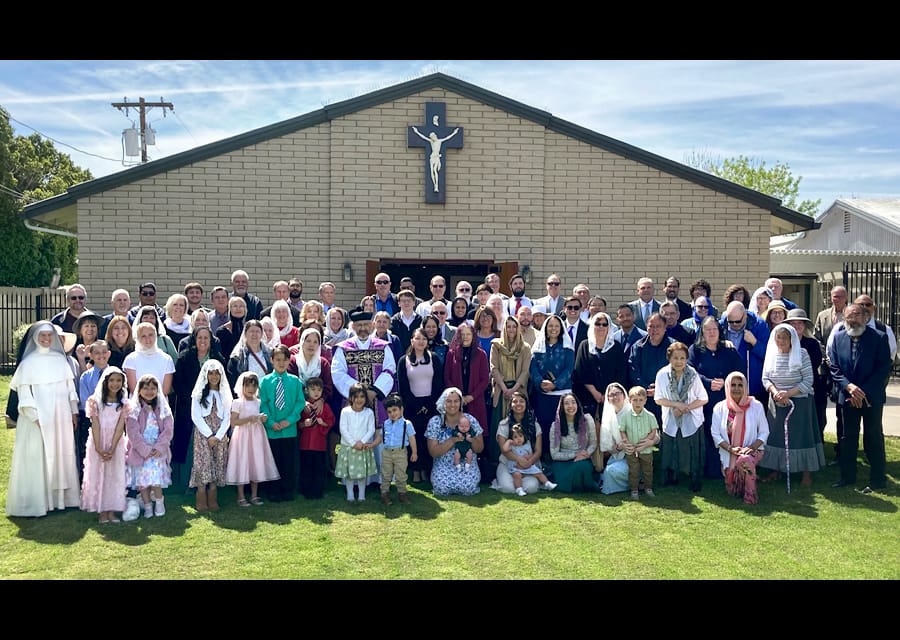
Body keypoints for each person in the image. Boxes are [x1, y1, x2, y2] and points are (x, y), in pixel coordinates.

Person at [6, 321, 81, 517]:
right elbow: (24, 395)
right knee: (37, 457)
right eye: (42, 336)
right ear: (35, 339)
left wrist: (73, 411)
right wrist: (36, 417)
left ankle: (62, 501)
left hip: (60, 416)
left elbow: (69, 389)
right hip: (36, 420)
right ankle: (38, 502)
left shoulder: (60, 360)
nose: (46, 339)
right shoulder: (27, 364)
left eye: (50, 336)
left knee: (62, 453)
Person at [829, 303, 892, 494]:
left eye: (856, 315)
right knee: (848, 437)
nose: (852, 320)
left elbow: (883, 369)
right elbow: (834, 367)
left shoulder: (879, 338)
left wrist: (862, 392)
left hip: (871, 397)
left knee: (873, 437)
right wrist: (849, 387)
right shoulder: (839, 338)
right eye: (848, 316)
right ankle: (847, 477)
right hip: (847, 396)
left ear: (865, 317)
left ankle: (878, 479)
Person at [331, 310, 397, 485]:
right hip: (354, 403)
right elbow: (338, 374)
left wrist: (374, 391)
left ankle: (381, 479)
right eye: (359, 325)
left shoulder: (383, 346)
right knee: (357, 435)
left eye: (366, 325)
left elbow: (390, 369)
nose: (362, 328)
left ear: (372, 325)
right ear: (352, 326)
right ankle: (357, 479)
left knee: (379, 437)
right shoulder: (343, 348)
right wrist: (358, 394)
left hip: (379, 401)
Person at [758, 324, 825, 487]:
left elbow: (809, 380)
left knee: (802, 436)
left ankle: (806, 473)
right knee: (777, 436)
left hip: (799, 402)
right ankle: (776, 469)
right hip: (777, 402)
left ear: (792, 339)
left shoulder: (801, 354)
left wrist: (788, 393)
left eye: (785, 338)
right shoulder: (771, 354)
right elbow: (765, 378)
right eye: (778, 337)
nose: (781, 341)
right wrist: (775, 392)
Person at [688, 316, 744, 480]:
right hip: (703, 400)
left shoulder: (729, 350)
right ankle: (708, 469)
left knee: (724, 433)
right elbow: (690, 372)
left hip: (726, 400)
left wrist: (727, 381)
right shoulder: (695, 350)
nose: (712, 333)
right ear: (702, 332)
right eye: (708, 329)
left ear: (720, 331)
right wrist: (708, 382)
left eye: (715, 329)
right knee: (706, 434)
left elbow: (739, 372)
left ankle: (728, 467)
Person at [655, 341, 709, 492]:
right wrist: (676, 405)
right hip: (671, 417)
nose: (679, 362)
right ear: (669, 358)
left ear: (686, 359)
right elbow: (658, 399)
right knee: (671, 448)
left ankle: (695, 479)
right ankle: (670, 477)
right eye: (675, 358)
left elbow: (704, 398)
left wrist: (686, 408)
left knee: (692, 450)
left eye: (682, 358)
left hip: (691, 417)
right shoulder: (662, 375)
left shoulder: (693, 375)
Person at [710, 371, 769, 505]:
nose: (736, 388)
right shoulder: (719, 408)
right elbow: (715, 434)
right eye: (733, 385)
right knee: (733, 491)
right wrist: (731, 449)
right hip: (729, 452)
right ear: (727, 387)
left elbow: (764, 432)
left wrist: (751, 448)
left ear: (745, 387)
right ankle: (741, 483)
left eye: (740, 385)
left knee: (745, 460)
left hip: (753, 450)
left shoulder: (756, 406)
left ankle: (751, 496)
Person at [80, 366, 129, 524]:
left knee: (113, 476)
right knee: (99, 474)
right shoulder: (95, 402)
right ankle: (101, 510)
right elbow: (95, 425)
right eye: (112, 380)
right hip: (98, 441)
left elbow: (120, 426)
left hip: (116, 443)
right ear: (105, 382)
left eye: (118, 380)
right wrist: (99, 447)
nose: (115, 384)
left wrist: (113, 447)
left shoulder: (124, 404)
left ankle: (112, 510)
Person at [226, 371, 280, 507]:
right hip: (243, 436)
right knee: (242, 462)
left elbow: (260, 416)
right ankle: (241, 496)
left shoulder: (259, 402)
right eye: (248, 386)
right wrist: (248, 419)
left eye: (254, 386)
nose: (251, 389)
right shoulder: (237, 402)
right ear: (242, 387)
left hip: (256, 436)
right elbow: (234, 422)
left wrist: (262, 418)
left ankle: (255, 495)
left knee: (256, 462)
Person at [260, 344, 306, 502]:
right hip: (272, 429)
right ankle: (273, 490)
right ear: (272, 360)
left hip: (289, 429)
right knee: (273, 460)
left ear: (289, 361)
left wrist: (289, 420)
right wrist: (271, 422)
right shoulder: (265, 381)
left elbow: (300, 403)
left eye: (285, 360)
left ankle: (288, 490)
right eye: (278, 359)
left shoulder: (295, 381)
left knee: (288, 460)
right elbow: (263, 403)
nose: (281, 363)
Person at [397, 327, 443, 483]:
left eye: (424, 339)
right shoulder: (404, 360)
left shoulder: (434, 358)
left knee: (428, 439)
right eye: (418, 338)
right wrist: (416, 405)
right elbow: (402, 386)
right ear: (412, 340)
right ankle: (415, 470)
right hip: (412, 408)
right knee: (414, 439)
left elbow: (438, 384)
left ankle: (426, 469)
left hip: (431, 406)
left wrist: (428, 405)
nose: (421, 341)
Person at [125, 374, 173, 519]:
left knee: (155, 479)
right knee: (143, 482)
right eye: (145, 388)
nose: (149, 391)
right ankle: (147, 506)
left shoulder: (162, 408)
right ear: (139, 390)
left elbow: (168, 430)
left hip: (157, 451)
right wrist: (145, 450)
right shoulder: (134, 410)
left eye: (153, 388)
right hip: (141, 452)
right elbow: (133, 433)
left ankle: (159, 502)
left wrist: (159, 448)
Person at [189, 359, 232, 512]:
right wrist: (209, 435)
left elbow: (228, 417)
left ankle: (213, 496)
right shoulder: (198, 394)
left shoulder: (225, 394)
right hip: (203, 434)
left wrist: (218, 436)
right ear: (205, 375)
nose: (214, 377)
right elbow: (196, 416)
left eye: (217, 373)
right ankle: (201, 496)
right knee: (203, 462)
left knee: (217, 462)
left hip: (219, 434)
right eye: (211, 373)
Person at [427, 387, 484, 496]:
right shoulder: (435, 422)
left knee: (468, 488)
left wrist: (470, 440)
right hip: (443, 465)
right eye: (449, 401)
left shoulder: (470, 420)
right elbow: (433, 452)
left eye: (456, 401)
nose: (452, 405)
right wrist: (453, 440)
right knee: (441, 488)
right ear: (443, 402)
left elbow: (480, 448)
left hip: (466, 464)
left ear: (460, 403)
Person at [573, 312, 627, 420]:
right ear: (592, 326)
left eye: (604, 324)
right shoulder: (584, 345)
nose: (601, 327)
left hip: (612, 397)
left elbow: (621, 372)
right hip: (587, 397)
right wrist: (595, 393)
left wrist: (608, 393)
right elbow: (580, 371)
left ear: (609, 327)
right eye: (598, 324)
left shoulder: (616, 347)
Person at [443, 321, 490, 445]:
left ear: (473, 336)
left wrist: (471, 396)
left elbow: (485, 379)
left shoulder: (481, 354)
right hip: (456, 400)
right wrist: (456, 396)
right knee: (456, 431)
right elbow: (447, 377)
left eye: (468, 334)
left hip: (475, 400)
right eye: (462, 334)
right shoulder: (451, 353)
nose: (465, 337)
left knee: (475, 431)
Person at [493, 391, 544, 495]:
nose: (518, 404)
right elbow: (504, 450)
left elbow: (538, 451)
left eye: (521, 401)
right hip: (508, 463)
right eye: (515, 402)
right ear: (511, 405)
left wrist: (528, 462)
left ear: (526, 404)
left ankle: (521, 484)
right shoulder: (504, 424)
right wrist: (519, 459)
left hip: (529, 464)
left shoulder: (535, 425)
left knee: (531, 488)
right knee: (508, 489)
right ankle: (505, 481)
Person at [627, 313, 673, 425]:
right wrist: (645, 388)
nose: (654, 330)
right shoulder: (638, 347)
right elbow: (633, 370)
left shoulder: (673, 346)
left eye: (658, 326)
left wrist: (659, 389)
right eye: (651, 326)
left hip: (668, 397)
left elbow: (677, 370)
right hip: (643, 398)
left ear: (665, 327)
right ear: (646, 327)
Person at [336, 383, 379, 502]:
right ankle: (350, 493)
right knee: (349, 473)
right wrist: (353, 443)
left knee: (362, 473)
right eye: (356, 396)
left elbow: (371, 429)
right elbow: (343, 429)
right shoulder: (345, 411)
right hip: (349, 447)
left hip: (363, 447)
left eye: (362, 396)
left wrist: (362, 442)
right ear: (350, 398)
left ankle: (361, 494)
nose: (359, 400)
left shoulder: (369, 412)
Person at [548, 393, 598, 493]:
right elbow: (554, 454)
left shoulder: (587, 420)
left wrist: (584, 455)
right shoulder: (556, 426)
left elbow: (593, 443)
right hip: (563, 462)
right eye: (566, 403)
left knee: (582, 466)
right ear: (562, 407)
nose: (570, 406)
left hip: (583, 458)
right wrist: (574, 455)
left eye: (573, 402)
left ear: (577, 405)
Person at [618, 386, 659, 500]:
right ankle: (634, 490)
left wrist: (648, 440)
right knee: (633, 470)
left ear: (645, 400)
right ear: (630, 401)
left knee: (648, 470)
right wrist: (625, 440)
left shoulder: (650, 416)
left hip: (646, 449)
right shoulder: (625, 416)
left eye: (641, 400)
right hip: (631, 449)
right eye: (635, 400)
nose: (638, 403)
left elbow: (654, 430)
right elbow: (622, 430)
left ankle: (648, 488)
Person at [298, 376, 335, 500]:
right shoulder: (304, 407)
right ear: (307, 390)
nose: (316, 392)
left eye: (319, 390)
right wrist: (304, 423)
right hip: (306, 443)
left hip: (319, 443)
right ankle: (306, 490)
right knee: (306, 467)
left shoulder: (325, 407)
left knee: (319, 467)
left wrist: (322, 422)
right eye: (313, 389)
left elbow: (331, 421)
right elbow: (298, 423)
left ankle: (318, 491)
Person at [596, 382, 637, 495]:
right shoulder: (608, 418)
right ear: (608, 399)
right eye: (611, 395)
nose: (614, 397)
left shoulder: (634, 413)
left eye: (617, 394)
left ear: (624, 396)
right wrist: (619, 447)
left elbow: (654, 437)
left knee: (611, 471)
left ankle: (637, 482)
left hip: (636, 457)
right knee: (609, 471)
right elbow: (609, 450)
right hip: (617, 457)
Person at [379, 393, 417, 505]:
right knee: (386, 474)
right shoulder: (386, 423)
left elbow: (412, 438)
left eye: (395, 410)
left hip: (400, 452)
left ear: (401, 410)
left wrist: (414, 452)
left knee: (401, 474)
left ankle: (402, 493)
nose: (392, 414)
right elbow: (380, 437)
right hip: (387, 452)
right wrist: (372, 444)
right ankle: (384, 493)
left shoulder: (407, 424)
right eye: (389, 412)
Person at [501, 423, 556, 496]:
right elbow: (504, 450)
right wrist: (508, 442)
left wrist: (528, 458)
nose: (518, 439)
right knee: (517, 475)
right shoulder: (512, 446)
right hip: (516, 466)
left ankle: (547, 483)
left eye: (520, 436)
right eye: (515, 437)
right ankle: (519, 489)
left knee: (539, 473)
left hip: (527, 465)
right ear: (512, 438)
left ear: (524, 436)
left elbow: (531, 454)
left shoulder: (527, 445)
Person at [411, 125, 460, 192]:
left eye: (432, 137)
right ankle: (434, 185)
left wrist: (454, 133)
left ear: (434, 136)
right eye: (431, 137)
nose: (431, 138)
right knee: (431, 172)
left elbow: (447, 138)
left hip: (437, 158)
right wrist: (417, 132)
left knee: (435, 171)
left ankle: (436, 186)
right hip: (432, 157)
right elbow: (423, 137)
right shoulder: (431, 142)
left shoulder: (439, 141)